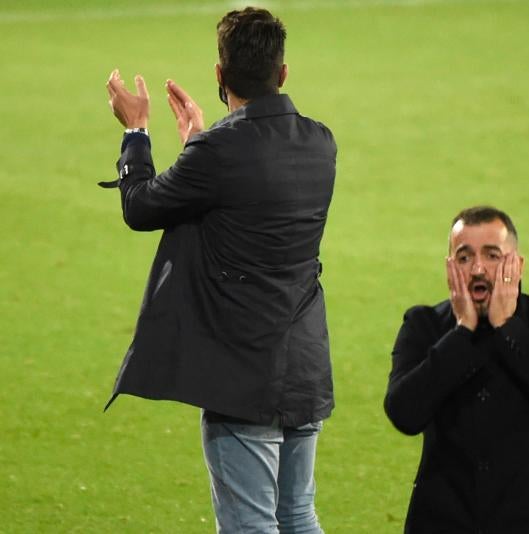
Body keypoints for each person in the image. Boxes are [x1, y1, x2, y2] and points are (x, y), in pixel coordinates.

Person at [103, 8, 335, 534]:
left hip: (243, 376)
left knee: (251, 526)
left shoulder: (219, 152)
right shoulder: (321, 142)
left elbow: (141, 207)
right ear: (282, 73)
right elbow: (246, 193)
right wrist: (200, 144)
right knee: (298, 516)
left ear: (219, 75)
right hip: (302, 364)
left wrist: (137, 131)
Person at [384, 206, 529, 533]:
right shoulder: (423, 325)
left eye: (493, 255)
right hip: (446, 522)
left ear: (518, 265)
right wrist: (462, 332)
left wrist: (507, 327)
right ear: (450, 267)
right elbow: (404, 413)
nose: (478, 268)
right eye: (464, 257)